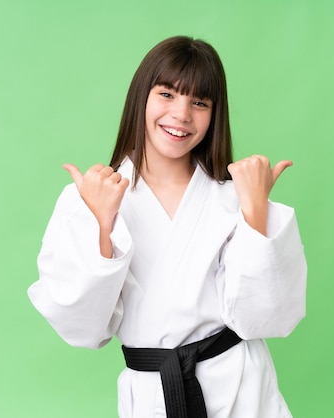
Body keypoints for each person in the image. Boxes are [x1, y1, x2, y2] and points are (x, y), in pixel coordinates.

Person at [28, 35, 307, 418]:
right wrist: (103, 224)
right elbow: (82, 327)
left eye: (199, 102)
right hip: (152, 393)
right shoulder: (91, 198)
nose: (181, 115)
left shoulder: (234, 197)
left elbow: (268, 317)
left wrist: (255, 210)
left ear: (215, 114)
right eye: (167, 94)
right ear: (141, 96)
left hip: (240, 386)